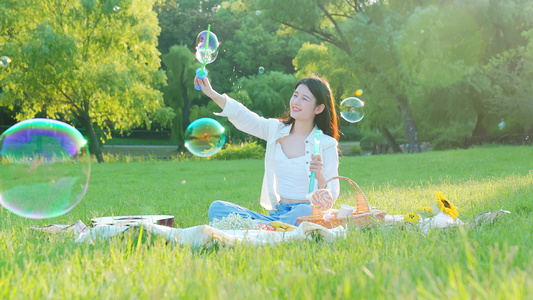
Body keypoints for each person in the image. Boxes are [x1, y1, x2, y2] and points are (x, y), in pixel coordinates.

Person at [194, 75, 340, 226]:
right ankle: (271, 227)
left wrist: (320, 177)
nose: (296, 102)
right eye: (295, 95)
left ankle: (261, 227)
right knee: (217, 208)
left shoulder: (326, 144)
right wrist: (212, 93)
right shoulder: (275, 129)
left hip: (305, 214)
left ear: (319, 108)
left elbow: (331, 196)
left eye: (305, 98)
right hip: (279, 212)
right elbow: (245, 117)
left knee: (304, 211)